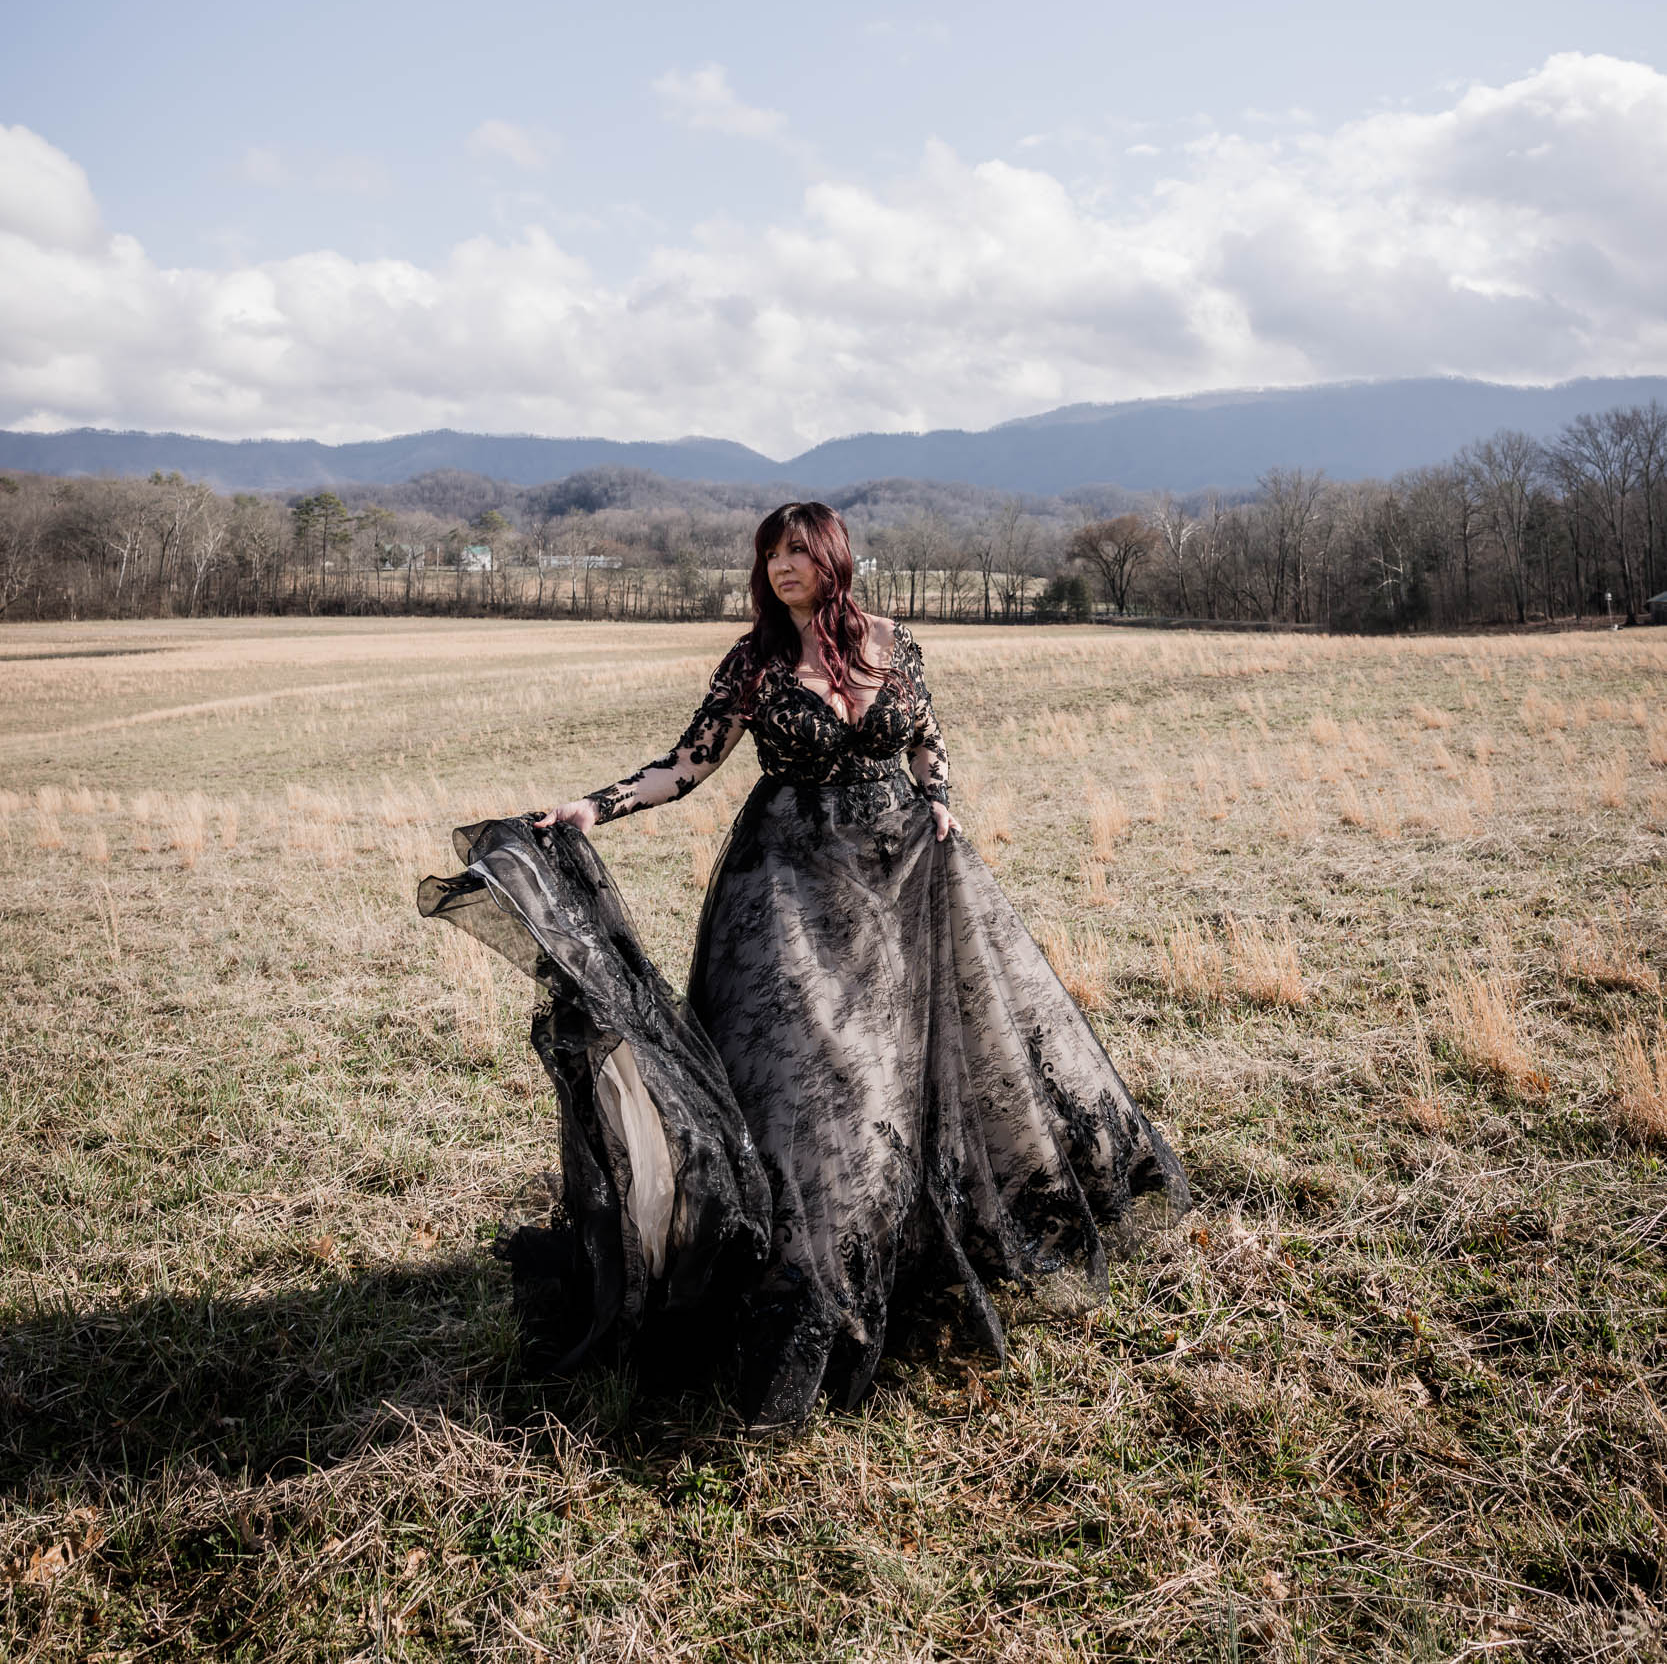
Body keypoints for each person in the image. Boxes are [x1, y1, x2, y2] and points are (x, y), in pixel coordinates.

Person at [419, 501, 1187, 1433]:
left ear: (832, 558)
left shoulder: (893, 643)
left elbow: (925, 735)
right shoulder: (754, 661)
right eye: (769, 555)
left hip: (900, 875)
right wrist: (594, 807)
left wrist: (939, 796)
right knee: (815, 1076)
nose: (781, 567)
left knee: (914, 1069)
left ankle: (896, 1248)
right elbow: (688, 763)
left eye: (796, 551)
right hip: (784, 882)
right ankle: (802, 1280)